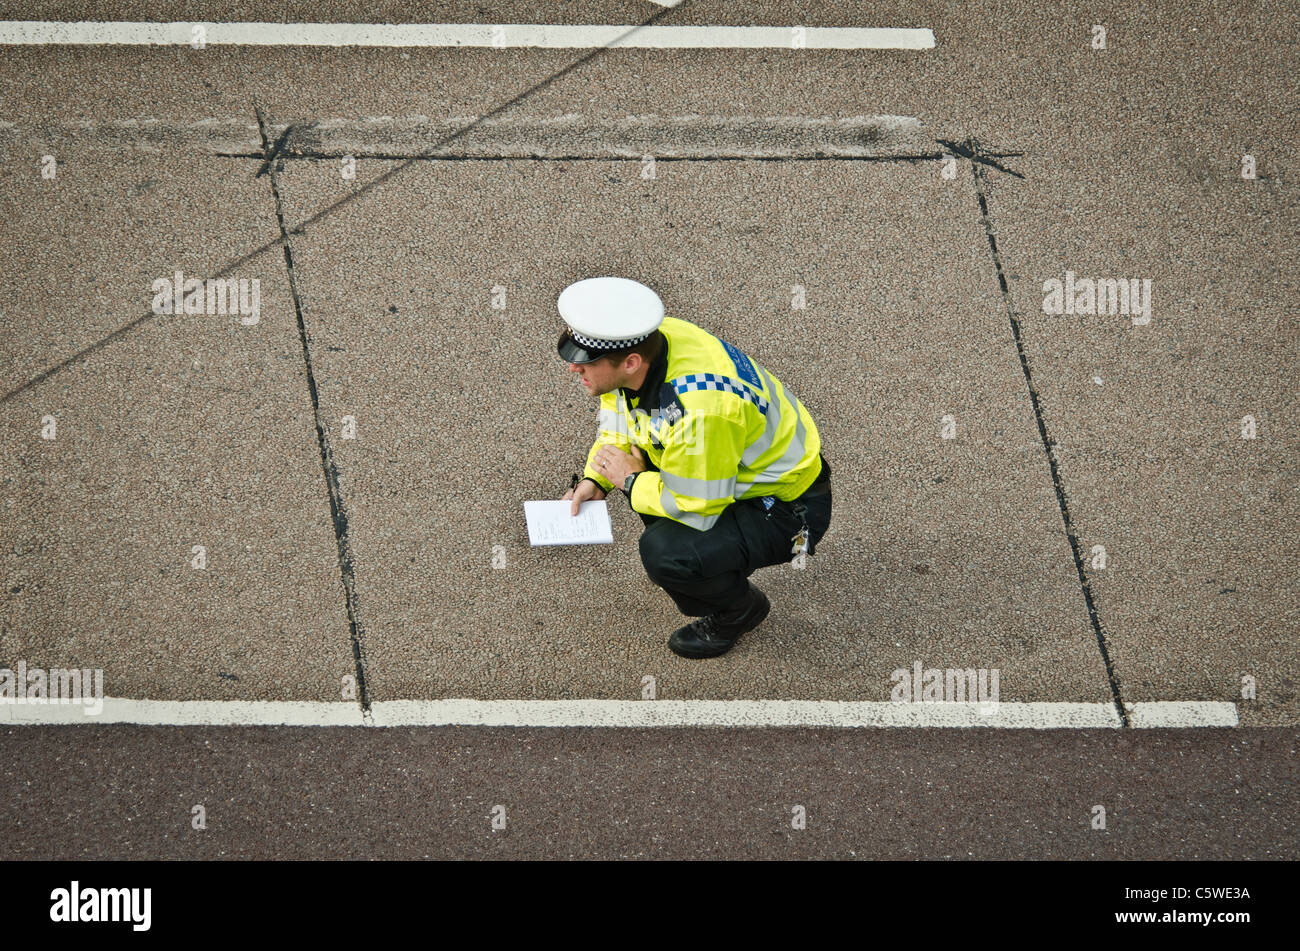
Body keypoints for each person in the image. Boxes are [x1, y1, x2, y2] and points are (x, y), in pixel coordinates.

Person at [557, 276, 832, 658]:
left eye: (586, 362)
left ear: (631, 362)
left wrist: (631, 481)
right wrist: (598, 477)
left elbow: (697, 505)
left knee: (667, 553)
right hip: (738, 475)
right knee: (653, 485)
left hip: (789, 510)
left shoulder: (699, 414)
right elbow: (620, 410)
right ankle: (718, 563)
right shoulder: (650, 341)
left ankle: (737, 609)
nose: (574, 369)